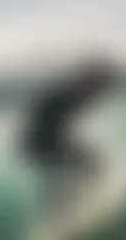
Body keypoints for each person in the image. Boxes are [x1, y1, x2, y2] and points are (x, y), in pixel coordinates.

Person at [19, 57, 119, 219]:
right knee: (89, 166)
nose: (102, 90)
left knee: (87, 167)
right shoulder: (69, 93)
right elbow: (44, 115)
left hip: (45, 140)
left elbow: (55, 119)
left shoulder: (76, 92)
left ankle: (72, 208)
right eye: (100, 82)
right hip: (42, 142)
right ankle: (73, 209)